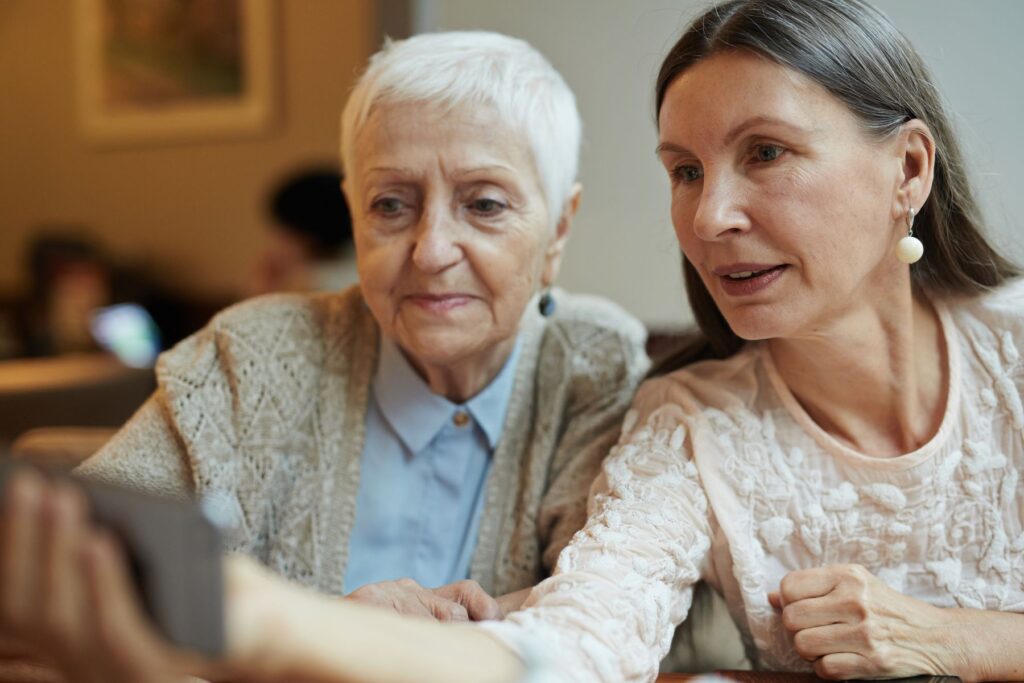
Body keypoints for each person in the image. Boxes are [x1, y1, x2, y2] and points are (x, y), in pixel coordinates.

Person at [9, 1, 1024, 681]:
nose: (709, 214)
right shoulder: (688, 424)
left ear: (908, 168)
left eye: (765, 153)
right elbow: (572, 646)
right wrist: (263, 618)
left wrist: (966, 638)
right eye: (681, 169)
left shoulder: (599, 366)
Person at [0, 30, 650, 681]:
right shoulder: (250, 360)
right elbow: (43, 600)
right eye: (391, 205)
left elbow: (610, 618)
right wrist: (333, 631)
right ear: (354, 213)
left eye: (483, 204)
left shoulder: (593, 368)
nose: (430, 251)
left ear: (559, 227)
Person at [247, 166, 360, 296]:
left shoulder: (309, 281)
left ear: (306, 237)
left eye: (284, 233)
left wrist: (263, 290)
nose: (277, 243)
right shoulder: (360, 269)